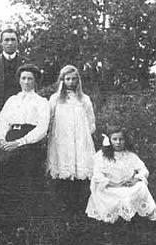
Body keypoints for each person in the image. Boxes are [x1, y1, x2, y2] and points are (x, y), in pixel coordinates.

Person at [0, 64, 50, 187]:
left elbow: (42, 128)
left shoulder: (41, 102)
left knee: (11, 164)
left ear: (35, 81)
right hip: (9, 137)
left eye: (30, 79)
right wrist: (1, 139)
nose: (26, 82)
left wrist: (19, 142)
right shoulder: (12, 100)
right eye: (23, 78)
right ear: (19, 80)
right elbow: (3, 121)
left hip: (28, 142)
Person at [46, 65, 96, 212]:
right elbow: (49, 119)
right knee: (63, 167)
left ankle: (79, 206)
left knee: (79, 169)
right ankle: (63, 205)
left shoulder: (84, 99)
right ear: (62, 80)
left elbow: (91, 121)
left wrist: (84, 136)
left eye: (74, 79)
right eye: (68, 79)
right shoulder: (55, 99)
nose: (71, 82)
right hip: (61, 139)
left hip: (80, 139)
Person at [86, 127, 156, 223]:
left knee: (141, 187)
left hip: (127, 186)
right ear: (109, 141)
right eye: (114, 139)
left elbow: (143, 170)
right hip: (109, 188)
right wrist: (113, 184)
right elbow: (97, 176)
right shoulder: (101, 156)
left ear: (125, 140)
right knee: (110, 194)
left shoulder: (130, 155)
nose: (118, 142)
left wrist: (135, 180)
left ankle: (145, 213)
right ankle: (114, 215)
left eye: (121, 139)